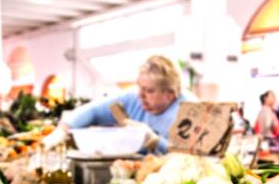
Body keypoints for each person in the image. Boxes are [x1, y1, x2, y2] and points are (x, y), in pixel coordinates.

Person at [43, 55, 196, 154]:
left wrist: (156, 141)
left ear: (171, 93)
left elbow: (191, 157)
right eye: (139, 87)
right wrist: (63, 130)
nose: (140, 95)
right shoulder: (132, 98)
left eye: (149, 90)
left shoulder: (190, 110)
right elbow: (94, 110)